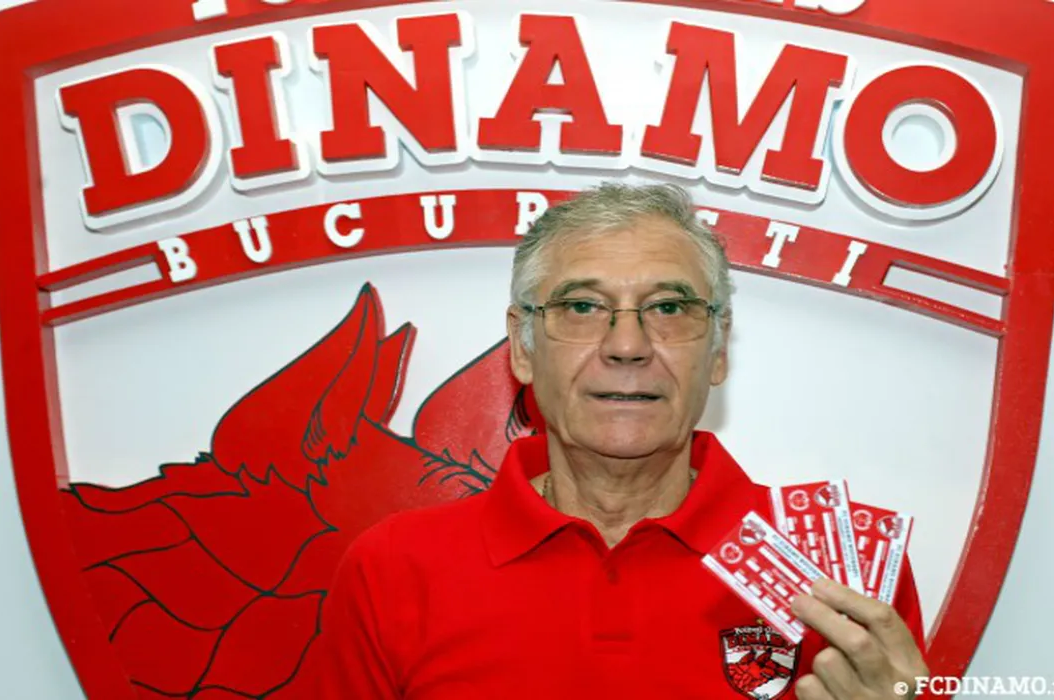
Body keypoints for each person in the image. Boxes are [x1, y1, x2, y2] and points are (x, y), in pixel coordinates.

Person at [318, 183, 929, 698]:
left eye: (669, 308)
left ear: (718, 350)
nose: (628, 346)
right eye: (582, 306)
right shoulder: (393, 568)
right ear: (522, 347)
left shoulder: (840, 572)